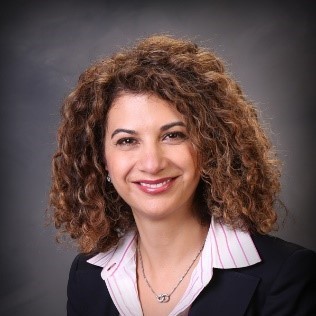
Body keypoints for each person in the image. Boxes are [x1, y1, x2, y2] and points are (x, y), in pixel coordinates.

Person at [49, 34, 316, 316]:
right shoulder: (86, 276)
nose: (152, 164)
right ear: (101, 160)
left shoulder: (288, 274)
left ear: (209, 147)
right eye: (127, 141)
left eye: (173, 135)